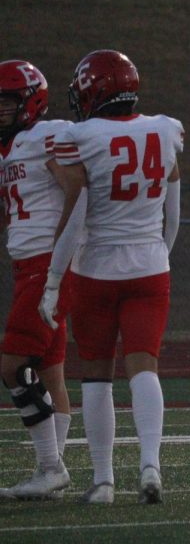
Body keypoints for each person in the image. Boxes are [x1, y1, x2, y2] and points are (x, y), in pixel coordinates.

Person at [39, 50, 184, 505]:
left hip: (96, 269)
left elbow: (76, 214)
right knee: (145, 366)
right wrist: (162, 253)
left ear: (92, 91)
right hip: (150, 265)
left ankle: (103, 481)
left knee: (97, 377)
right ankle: (150, 466)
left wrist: (51, 280)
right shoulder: (165, 128)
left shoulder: (78, 136)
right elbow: (173, 208)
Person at [0, 60, 75, 499]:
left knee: (11, 365)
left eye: (7, 103)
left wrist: (68, 248)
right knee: (52, 375)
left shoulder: (42, 138)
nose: (1, 112)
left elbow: (74, 185)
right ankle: (54, 473)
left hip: (47, 265)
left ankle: (51, 467)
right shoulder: (10, 149)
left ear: (31, 103)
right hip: (28, 266)